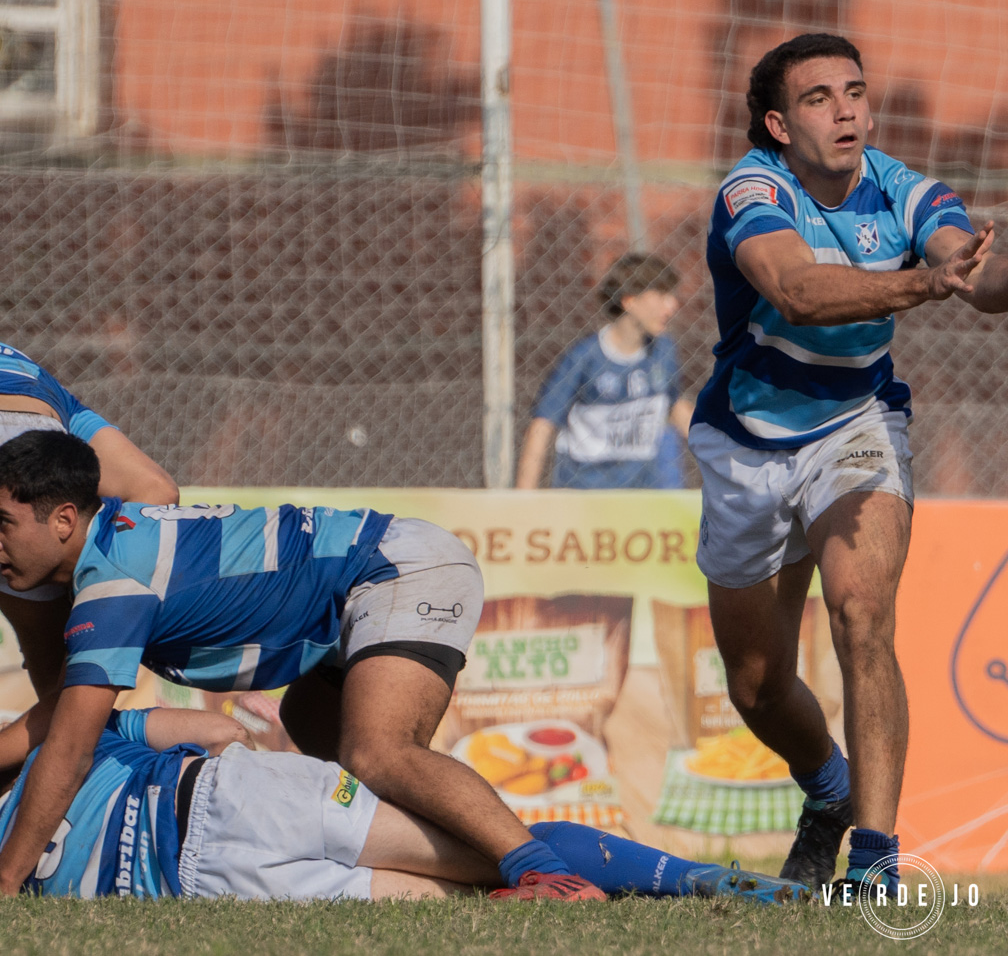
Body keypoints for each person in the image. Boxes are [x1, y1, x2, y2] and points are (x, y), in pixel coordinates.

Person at [693, 31, 1008, 894]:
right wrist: (924, 282)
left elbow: (964, 268)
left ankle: (874, 864)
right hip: (747, 443)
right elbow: (799, 292)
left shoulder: (904, 187)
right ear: (777, 123)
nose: (846, 109)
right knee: (758, 686)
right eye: (818, 98)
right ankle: (829, 790)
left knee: (862, 615)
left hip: (858, 422)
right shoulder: (752, 191)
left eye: (854, 90)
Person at [0, 430, 601, 900]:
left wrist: (6, 883)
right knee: (321, 742)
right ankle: (613, 868)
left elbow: (73, 748)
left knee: (379, 754)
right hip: (366, 585)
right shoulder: (115, 545)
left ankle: (550, 878)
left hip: (394, 569)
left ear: (63, 521)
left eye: (3, 526)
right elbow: (68, 712)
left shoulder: (114, 583)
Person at [0, 704, 812, 903]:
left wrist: (277, 771)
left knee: (492, 858)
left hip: (225, 808)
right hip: (212, 865)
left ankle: (717, 882)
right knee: (477, 885)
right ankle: (699, 882)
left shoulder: (56, 734)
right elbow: (213, 726)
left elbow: (212, 728)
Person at [0, 342, 178, 701]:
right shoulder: (23, 367)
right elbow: (158, 490)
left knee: (60, 693)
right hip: (33, 406)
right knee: (60, 684)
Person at [516, 254, 695, 491]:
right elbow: (542, 425)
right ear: (629, 301)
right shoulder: (585, 358)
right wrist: (523, 501)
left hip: (643, 495)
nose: (672, 305)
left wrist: (723, 455)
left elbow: (675, 407)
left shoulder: (663, 351)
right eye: (662, 296)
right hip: (587, 494)